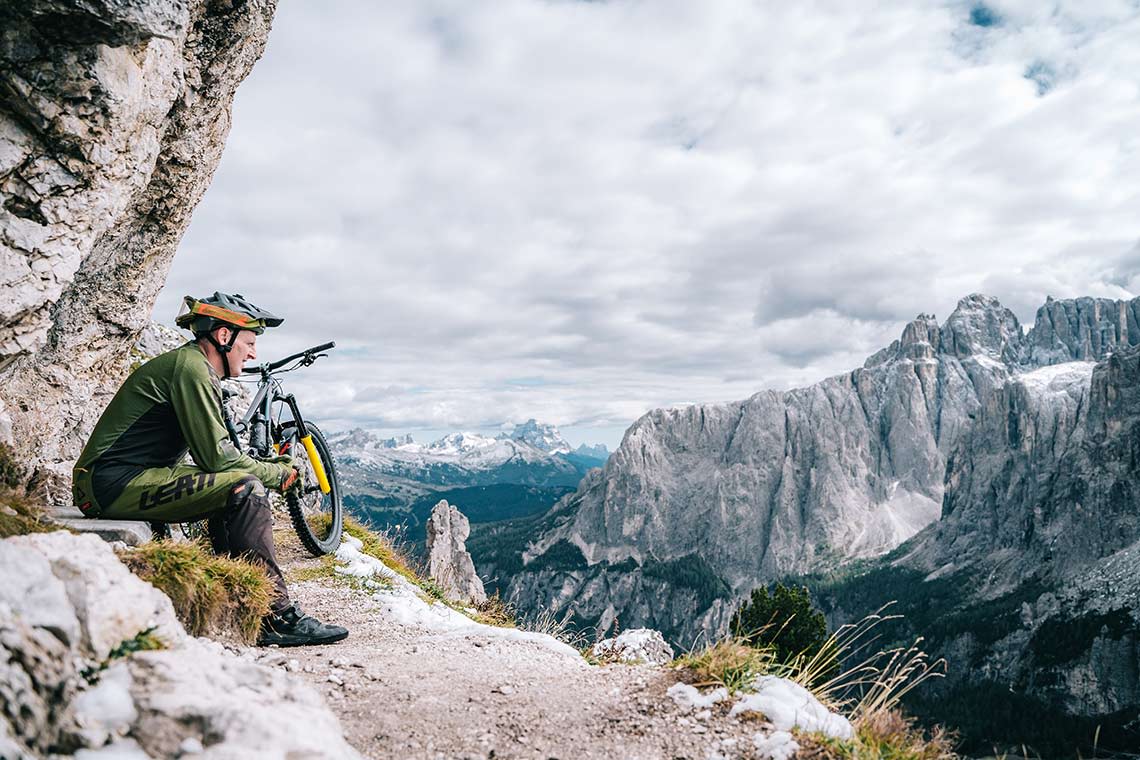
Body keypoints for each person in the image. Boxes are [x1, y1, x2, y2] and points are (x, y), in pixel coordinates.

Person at [72, 292, 348, 647]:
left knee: (232, 486)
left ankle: (239, 599)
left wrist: (265, 467)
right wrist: (276, 473)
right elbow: (217, 459)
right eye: (248, 343)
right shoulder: (191, 369)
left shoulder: (191, 366)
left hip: (119, 479)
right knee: (243, 488)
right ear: (223, 337)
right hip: (112, 484)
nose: (252, 354)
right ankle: (275, 616)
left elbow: (217, 458)